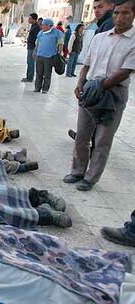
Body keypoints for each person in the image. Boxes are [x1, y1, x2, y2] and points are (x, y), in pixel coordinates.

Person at [63, 0, 135, 191]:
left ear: (133, 14)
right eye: (117, 13)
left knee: (103, 138)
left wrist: (98, 86)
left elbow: (125, 71)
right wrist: (81, 83)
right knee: (82, 135)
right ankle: (77, 171)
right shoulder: (100, 37)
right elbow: (86, 63)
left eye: (125, 13)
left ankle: (90, 177)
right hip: (90, 89)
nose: (120, 18)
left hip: (114, 93)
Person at [33, 18, 63, 94]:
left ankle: (45, 89)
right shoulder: (41, 33)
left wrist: (59, 53)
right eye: (42, 25)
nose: (42, 26)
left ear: (49, 26)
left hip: (50, 56)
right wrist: (35, 51)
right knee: (39, 73)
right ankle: (37, 87)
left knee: (47, 73)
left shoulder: (56, 33)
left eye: (43, 25)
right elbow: (37, 43)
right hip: (40, 55)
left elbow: (60, 44)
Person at [21, 13, 40, 82]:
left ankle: (29, 77)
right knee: (29, 62)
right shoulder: (33, 26)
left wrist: (35, 48)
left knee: (31, 62)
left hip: (32, 48)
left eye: (30, 18)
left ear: (34, 19)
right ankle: (28, 76)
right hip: (30, 47)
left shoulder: (36, 27)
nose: (29, 20)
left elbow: (37, 39)